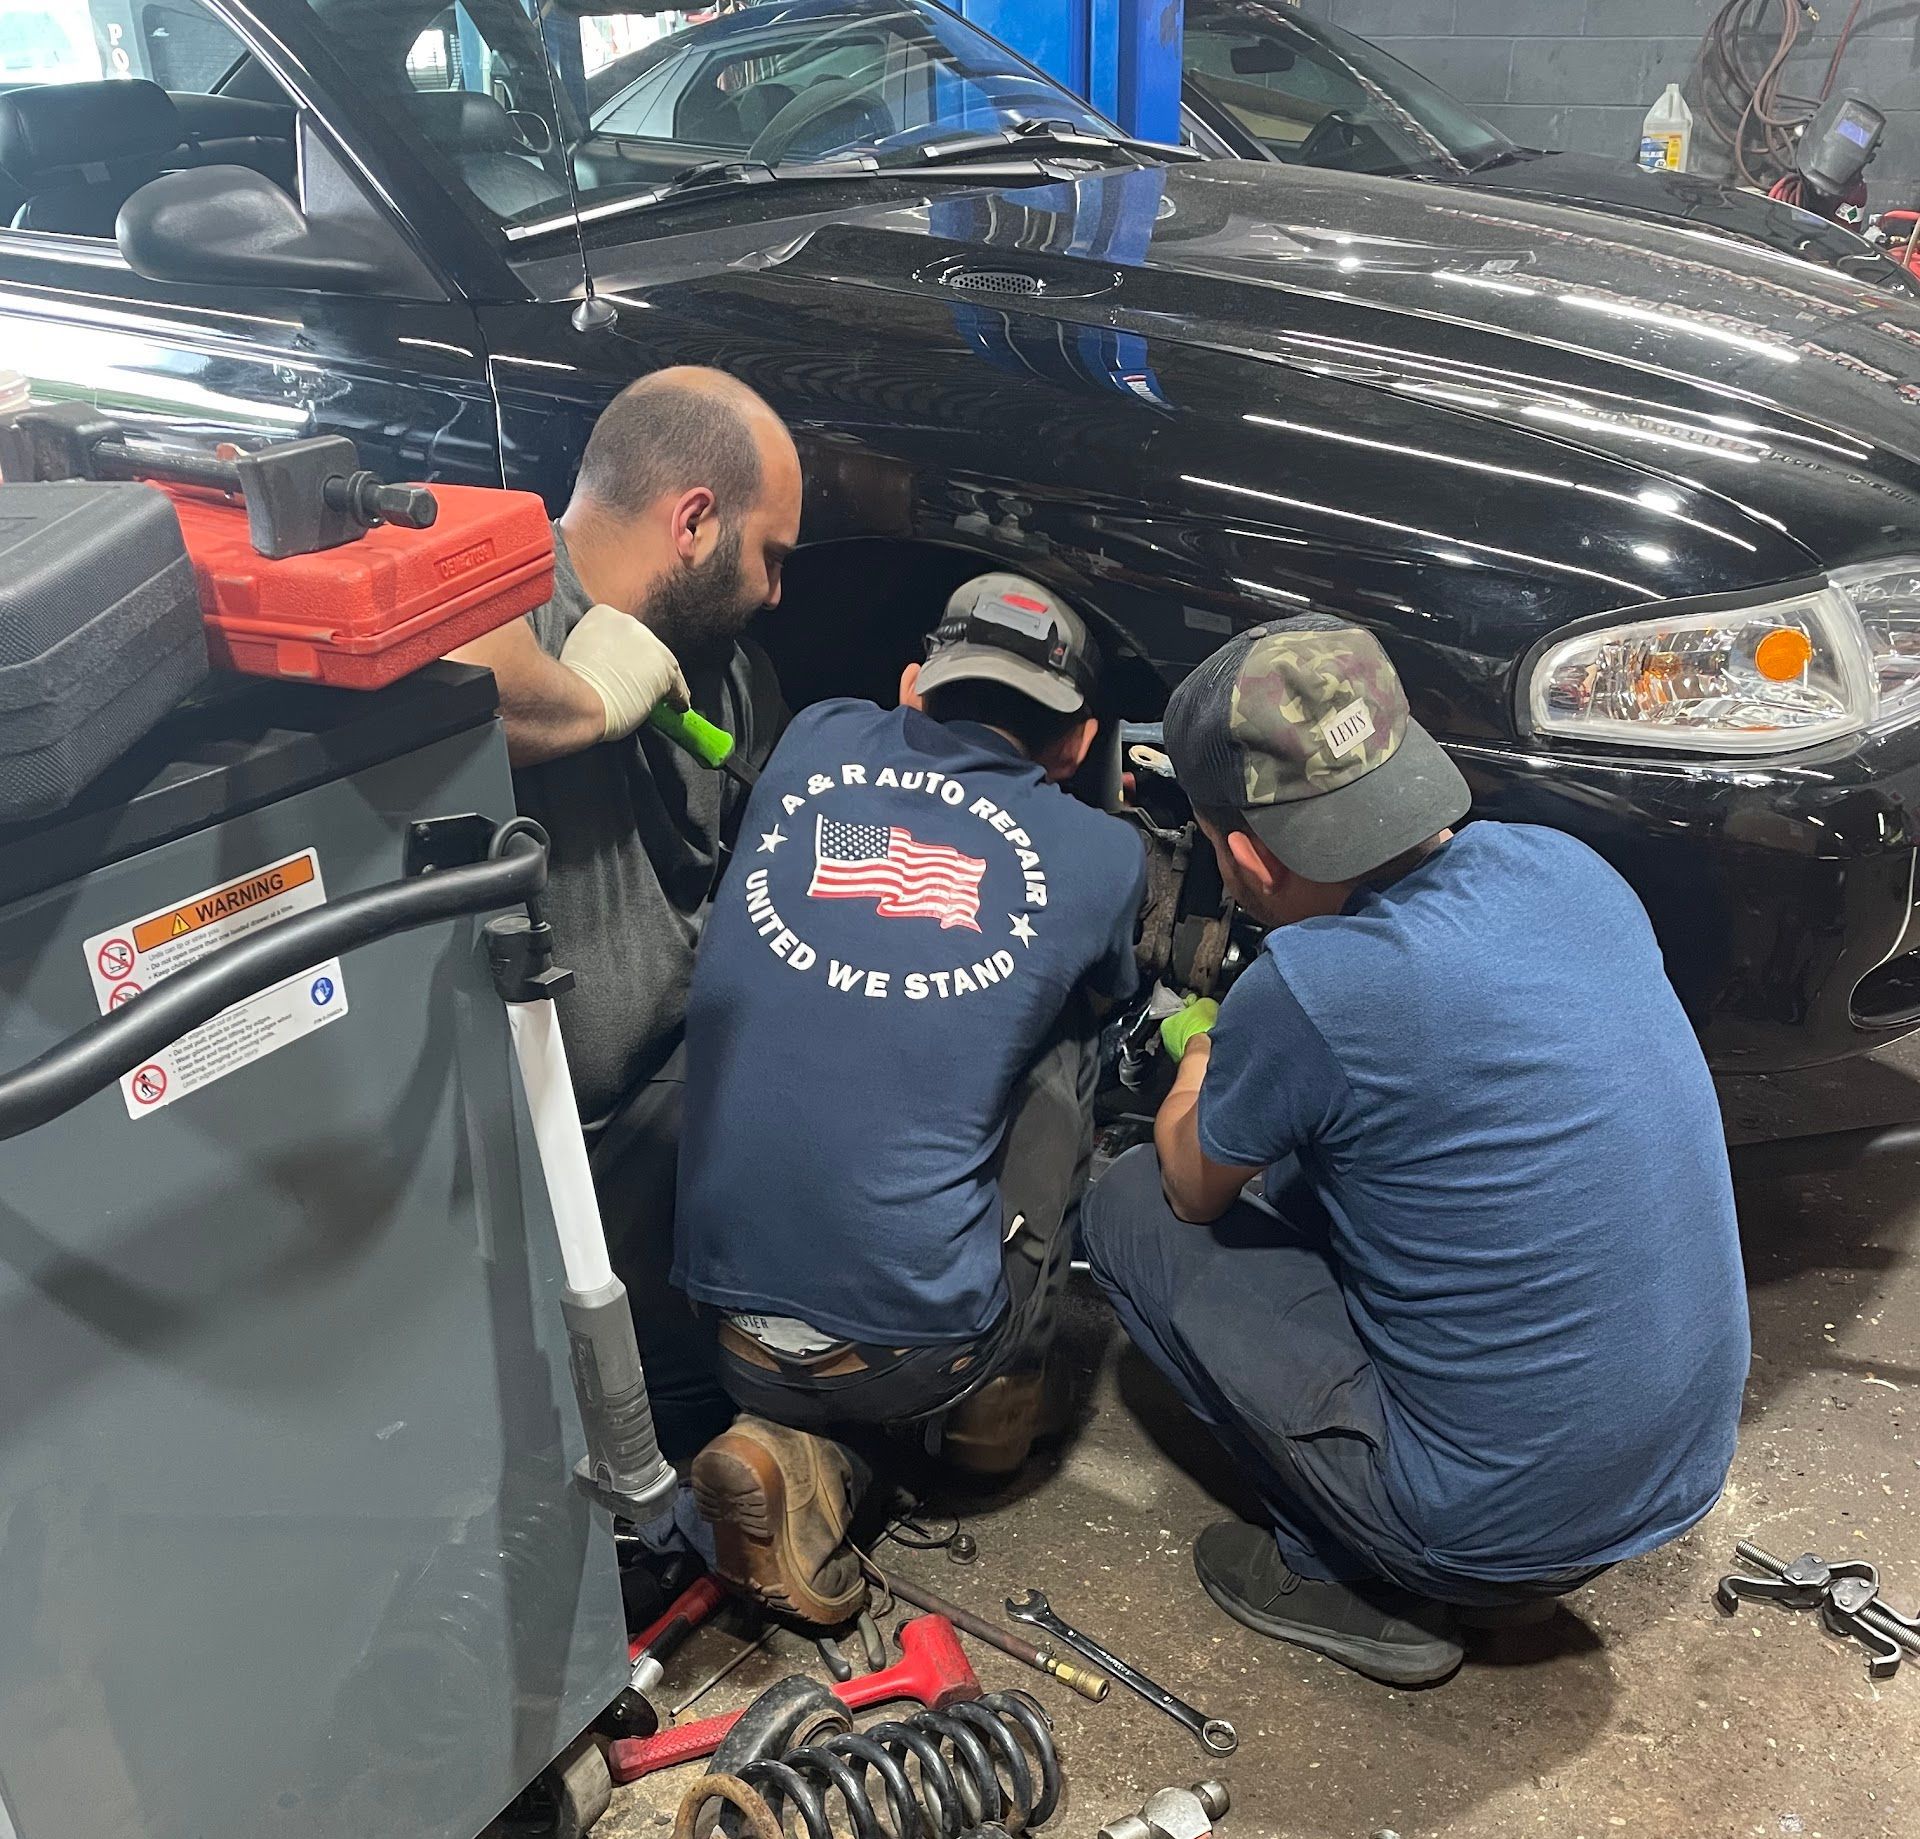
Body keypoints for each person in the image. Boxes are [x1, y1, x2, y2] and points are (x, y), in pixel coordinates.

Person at [1080, 613, 1750, 1689]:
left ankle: (1344, 1573)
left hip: (1493, 1533)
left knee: (1127, 1209)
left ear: (1242, 854)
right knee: (1342, 1148)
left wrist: (1203, 1057)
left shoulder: (1313, 985)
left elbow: (1194, 1187)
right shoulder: (1563, 866)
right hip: (1681, 1464)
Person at [670, 574, 1146, 1622]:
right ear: (1079, 744)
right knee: (1074, 1034)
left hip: (708, 1313)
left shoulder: (817, 736)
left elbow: (871, 893)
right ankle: (983, 1409)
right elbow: (1117, 986)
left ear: (910, 687)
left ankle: (783, 1433)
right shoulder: (1104, 853)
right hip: (908, 1356)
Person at [453, 365, 803, 1457]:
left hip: (675, 1089)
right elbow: (451, 670)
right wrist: (589, 701)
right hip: (547, 1151)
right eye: (771, 557)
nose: (778, 592)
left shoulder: (728, 670)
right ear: (694, 520)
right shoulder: (511, 596)